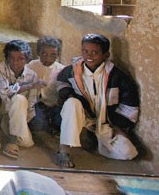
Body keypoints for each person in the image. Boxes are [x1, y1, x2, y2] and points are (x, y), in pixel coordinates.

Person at [56, 34, 139, 168]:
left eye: (95, 52)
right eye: (85, 51)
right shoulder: (73, 71)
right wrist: (69, 95)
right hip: (82, 115)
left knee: (128, 152)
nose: (89, 55)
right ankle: (63, 151)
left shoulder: (117, 76)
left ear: (106, 55)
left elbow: (129, 103)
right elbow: (62, 82)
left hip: (106, 121)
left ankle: (94, 140)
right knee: (72, 103)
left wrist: (120, 127)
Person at [0, 40, 43, 159]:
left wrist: (23, 121)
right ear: (7, 58)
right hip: (3, 110)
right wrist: (29, 86)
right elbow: (4, 93)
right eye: (11, 58)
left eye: (20, 59)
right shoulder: (2, 68)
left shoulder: (32, 75)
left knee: (27, 143)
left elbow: (32, 102)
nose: (15, 62)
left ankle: (12, 134)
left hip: (20, 115)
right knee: (18, 99)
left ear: (27, 59)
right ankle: (12, 141)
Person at [26, 36, 65, 134]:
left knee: (61, 123)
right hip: (37, 104)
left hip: (54, 105)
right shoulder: (31, 66)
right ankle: (45, 124)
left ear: (58, 55)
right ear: (38, 52)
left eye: (53, 55)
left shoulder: (61, 70)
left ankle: (51, 124)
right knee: (37, 125)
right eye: (44, 54)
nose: (48, 58)